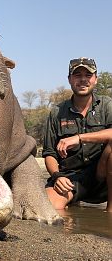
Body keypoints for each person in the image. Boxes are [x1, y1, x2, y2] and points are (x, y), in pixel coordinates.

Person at [42, 57, 112, 212]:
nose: (83, 80)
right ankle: (72, 200)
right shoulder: (56, 112)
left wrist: (79, 138)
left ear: (95, 79)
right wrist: (57, 176)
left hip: (103, 178)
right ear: (69, 79)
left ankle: (110, 211)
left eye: (88, 75)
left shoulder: (107, 105)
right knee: (50, 209)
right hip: (70, 178)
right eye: (77, 75)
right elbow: (49, 153)